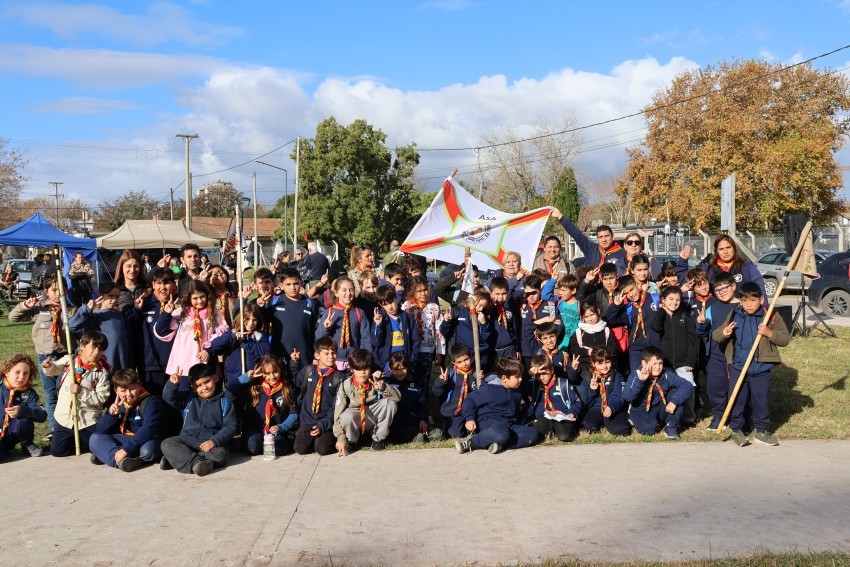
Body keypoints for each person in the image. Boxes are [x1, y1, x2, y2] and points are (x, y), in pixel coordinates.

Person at [713, 281, 790, 447]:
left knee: (760, 401)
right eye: (744, 300)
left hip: (761, 369)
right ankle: (736, 430)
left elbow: (785, 339)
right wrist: (725, 333)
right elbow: (716, 336)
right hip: (738, 367)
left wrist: (769, 333)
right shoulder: (734, 314)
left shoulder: (770, 316)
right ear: (740, 301)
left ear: (761, 299)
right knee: (737, 400)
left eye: (753, 300)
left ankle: (761, 431)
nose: (748, 304)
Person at [9, 275, 69, 438]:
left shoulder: (71, 309)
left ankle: (66, 428)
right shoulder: (38, 308)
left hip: (64, 357)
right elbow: (12, 317)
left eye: (61, 289)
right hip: (45, 357)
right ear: (46, 291)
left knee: (64, 393)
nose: (58, 293)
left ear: (66, 290)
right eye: (54, 290)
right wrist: (24, 306)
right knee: (50, 394)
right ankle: (54, 429)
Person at [160, 362, 238, 476]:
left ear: (214, 378)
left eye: (207, 382)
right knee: (167, 443)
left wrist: (214, 441)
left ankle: (179, 460)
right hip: (188, 440)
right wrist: (173, 384)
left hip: (210, 443)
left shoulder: (225, 401)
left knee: (221, 455)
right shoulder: (189, 398)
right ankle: (196, 463)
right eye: (199, 385)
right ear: (193, 387)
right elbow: (168, 397)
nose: (204, 387)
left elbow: (230, 426)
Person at [43, 330, 112, 456]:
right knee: (58, 452)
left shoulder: (101, 372)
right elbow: (54, 369)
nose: (96, 352)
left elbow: (101, 398)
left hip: (87, 421)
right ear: (82, 346)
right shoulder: (69, 360)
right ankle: (73, 441)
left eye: (101, 349)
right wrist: (48, 366)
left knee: (98, 449)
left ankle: (86, 443)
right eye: (93, 347)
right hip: (66, 419)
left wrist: (81, 391)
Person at [455, 356, 540, 454]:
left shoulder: (517, 389)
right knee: (501, 434)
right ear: (504, 378)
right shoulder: (489, 389)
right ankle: (471, 443)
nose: (520, 379)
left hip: (510, 425)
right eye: (517, 377)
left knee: (533, 433)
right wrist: (469, 418)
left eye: (521, 376)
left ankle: (500, 445)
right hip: (490, 424)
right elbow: (469, 400)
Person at [155, 280, 229, 391]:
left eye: (202, 297)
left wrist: (209, 350)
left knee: (207, 394)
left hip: (205, 363)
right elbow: (161, 331)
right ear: (188, 298)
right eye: (195, 298)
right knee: (185, 396)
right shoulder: (181, 314)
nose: (199, 301)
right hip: (184, 365)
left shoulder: (213, 315)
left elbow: (222, 336)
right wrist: (166, 313)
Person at [89, 368, 166, 471]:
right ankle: (121, 460)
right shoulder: (118, 404)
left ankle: (109, 456)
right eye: (123, 391)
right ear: (116, 390)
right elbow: (100, 431)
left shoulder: (151, 403)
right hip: (127, 438)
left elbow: (148, 430)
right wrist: (111, 415)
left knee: (147, 450)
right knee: (95, 438)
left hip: (147, 439)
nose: (129, 394)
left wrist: (126, 450)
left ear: (139, 385)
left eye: (132, 389)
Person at [333, 349, 401, 454]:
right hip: (356, 417)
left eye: (366, 368)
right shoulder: (345, 386)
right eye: (358, 369)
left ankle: (378, 439)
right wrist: (341, 438)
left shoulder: (375, 381)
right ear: (352, 369)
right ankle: (352, 441)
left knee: (390, 404)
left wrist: (383, 387)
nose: (363, 372)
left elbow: (397, 398)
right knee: (346, 416)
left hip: (373, 415)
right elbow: (337, 415)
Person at [228, 355, 298, 456]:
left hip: (276, 429)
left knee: (279, 448)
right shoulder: (255, 387)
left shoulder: (286, 389)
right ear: (262, 373)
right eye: (267, 373)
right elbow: (230, 387)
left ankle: (276, 443)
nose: (272, 377)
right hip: (255, 428)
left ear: (280, 370)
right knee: (253, 447)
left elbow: (294, 413)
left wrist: (281, 427)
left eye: (275, 372)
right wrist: (248, 376)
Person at [650, 285, 700, 425]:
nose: (674, 302)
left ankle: (688, 417)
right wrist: (662, 311)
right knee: (667, 389)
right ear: (663, 300)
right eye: (671, 299)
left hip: (684, 362)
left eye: (677, 299)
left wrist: (691, 360)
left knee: (688, 387)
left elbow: (693, 339)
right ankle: (667, 416)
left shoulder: (684, 315)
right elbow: (655, 327)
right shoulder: (660, 315)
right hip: (665, 362)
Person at [622, 346, 694, 439]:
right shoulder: (636, 375)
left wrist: (674, 402)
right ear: (644, 363)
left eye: (660, 363)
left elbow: (687, 385)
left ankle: (670, 426)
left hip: (660, 407)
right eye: (654, 364)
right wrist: (640, 381)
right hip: (641, 410)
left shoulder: (666, 374)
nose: (657, 367)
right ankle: (639, 421)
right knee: (649, 429)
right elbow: (627, 396)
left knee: (678, 393)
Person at [697, 272, 738, 431]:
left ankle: (737, 417)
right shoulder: (712, 308)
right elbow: (703, 332)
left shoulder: (742, 306)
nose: (721, 292)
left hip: (736, 357)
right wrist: (702, 323)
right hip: (715, 356)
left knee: (736, 389)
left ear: (733, 286)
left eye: (724, 288)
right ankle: (719, 417)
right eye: (717, 289)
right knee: (715, 388)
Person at [262, 267, 321, 377]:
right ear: (281, 286)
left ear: (301, 283)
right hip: (280, 355)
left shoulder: (310, 304)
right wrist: (260, 306)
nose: (292, 287)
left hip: (305, 356)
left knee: (303, 384)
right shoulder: (275, 302)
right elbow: (261, 322)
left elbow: (317, 332)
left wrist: (316, 355)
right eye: (288, 284)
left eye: (296, 283)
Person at [293, 337, 344, 456]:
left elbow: (337, 407)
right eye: (326, 353)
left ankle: (331, 438)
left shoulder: (338, 377)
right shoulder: (309, 371)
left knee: (322, 449)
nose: (331, 356)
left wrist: (323, 424)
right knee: (300, 448)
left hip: (327, 422)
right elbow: (295, 380)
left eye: (333, 353)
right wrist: (295, 363)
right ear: (317, 355)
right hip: (308, 421)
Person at [678, 236, 767, 300]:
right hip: (718, 314)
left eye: (728, 247)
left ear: (734, 248)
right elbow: (687, 283)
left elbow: (760, 290)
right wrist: (683, 262)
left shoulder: (747, 267)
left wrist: (764, 308)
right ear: (716, 251)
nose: (725, 252)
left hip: (742, 315)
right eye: (721, 249)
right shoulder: (708, 269)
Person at [604, 274, 660, 374]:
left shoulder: (655, 299)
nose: (631, 294)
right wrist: (615, 306)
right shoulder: (628, 308)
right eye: (626, 293)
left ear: (637, 285)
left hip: (655, 347)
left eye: (632, 290)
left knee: (655, 376)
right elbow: (609, 320)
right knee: (637, 377)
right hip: (637, 349)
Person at [69, 282, 132, 371]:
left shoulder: (121, 316)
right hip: (104, 366)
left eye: (117, 297)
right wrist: (86, 309)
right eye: (110, 296)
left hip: (123, 366)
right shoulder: (96, 317)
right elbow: (73, 326)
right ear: (101, 295)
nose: (114, 300)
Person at [316, 276, 371, 371]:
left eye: (351, 290)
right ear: (336, 293)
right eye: (344, 290)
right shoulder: (329, 312)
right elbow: (319, 339)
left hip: (354, 360)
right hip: (333, 360)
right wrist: (325, 328)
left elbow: (365, 339)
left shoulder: (359, 313)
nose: (348, 293)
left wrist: (365, 359)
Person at [385, 352, 442, 443]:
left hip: (414, 423)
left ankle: (422, 433)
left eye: (403, 369)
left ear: (408, 367)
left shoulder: (414, 383)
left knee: (438, 434)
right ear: (390, 368)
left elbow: (422, 404)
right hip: (396, 425)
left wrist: (423, 419)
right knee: (419, 437)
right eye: (396, 369)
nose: (399, 373)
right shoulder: (386, 384)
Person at [572, 348, 630, 436]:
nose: (604, 366)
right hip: (595, 408)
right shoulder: (587, 376)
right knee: (586, 428)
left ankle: (616, 421)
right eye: (600, 363)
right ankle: (599, 422)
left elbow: (618, 396)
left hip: (612, 407)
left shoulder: (617, 376)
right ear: (593, 363)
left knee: (621, 430)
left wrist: (611, 407)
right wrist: (592, 390)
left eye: (607, 362)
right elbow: (586, 402)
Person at [209, 303, 271, 384]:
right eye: (247, 319)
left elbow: (265, 351)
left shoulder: (259, 336)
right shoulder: (232, 333)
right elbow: (214, 346)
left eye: (254, 320)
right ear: (241, 319)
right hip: (234, 379)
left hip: (254, 379)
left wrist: (245, 344)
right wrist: (232, 336)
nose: (251, 323)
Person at [138, 268, 177, 396]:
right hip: (151, 363)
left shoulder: (181, 304)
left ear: (174, 284)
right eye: (159, 283)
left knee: (173, 401)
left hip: (175, 363)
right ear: (153, 285)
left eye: (167, 283)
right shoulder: (144, 303)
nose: (163, 287)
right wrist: (135, 311)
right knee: (154, 402)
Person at [431, 344, 483, 439]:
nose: (464, 364)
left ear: (471, 357)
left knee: (479, 431)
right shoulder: (451, 374)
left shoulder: (475, 374)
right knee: (455, 435)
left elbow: (481, 392)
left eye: (466, 359)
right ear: (454, 363)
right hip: (453, 412)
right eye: (459, 362)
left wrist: (481, 380)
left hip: (470, 411)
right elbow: (436, 393)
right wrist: (441, 382)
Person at [0, 353, 47, 459]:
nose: (21, 377)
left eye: (26, 373)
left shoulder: (29, 393)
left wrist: (22, 410)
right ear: (7, 372)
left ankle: (27, 444)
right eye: (17, 372)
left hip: (13, 433)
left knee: (24, 419)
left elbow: (42, 415)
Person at [528, 353, 581, 442]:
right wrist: (530, 373)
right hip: (544, 417)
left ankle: (560, 430)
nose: (541, 377)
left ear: (552, 370)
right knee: (535, 433)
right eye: (538, 375)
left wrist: (572, 413)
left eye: (544, 373)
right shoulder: (534, 385)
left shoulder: (563, 383)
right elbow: (520, 386)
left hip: (562, 417)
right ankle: (549, 430)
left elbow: (576, 402)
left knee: (564, 436)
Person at [551, 207, 626, 269]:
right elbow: (576, 233)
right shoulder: (591, 249)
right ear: (597, 238)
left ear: (612, 236)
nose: (604, 240)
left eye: (606, 236)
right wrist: (560, 216)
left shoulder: (622, 253)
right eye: (600, 237)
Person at [402, 275, 442, 391]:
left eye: (425, 290)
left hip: (427, 350)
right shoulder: (407, 306)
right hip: (411, 350)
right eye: (419, 291)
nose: (423, 293)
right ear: (412, 292)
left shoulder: (434, 307)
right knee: (410, 380)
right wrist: (408, 314)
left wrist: (439, 352)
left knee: (424, 381)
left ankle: (423, 401)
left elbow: (439, 331)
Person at [439, 289, 494, 371]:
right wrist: (446, 321)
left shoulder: (482, 316)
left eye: (484, 307)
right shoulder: (458, 312)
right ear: (473, 299)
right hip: (462, 357)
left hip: (478, 357)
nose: (481, 309)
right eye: (480, 305)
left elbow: (485, 338)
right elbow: (443, 332)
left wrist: (484, 324)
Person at [371, 284, 419, 372]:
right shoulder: (380, 318)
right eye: (385, 305)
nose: (390, 307)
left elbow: (415, 341)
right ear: (380, 305)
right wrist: (378, 325)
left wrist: (411, 360)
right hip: (386, 366)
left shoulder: (407, 318)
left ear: (396, 298)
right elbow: (375, 342)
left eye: (391, 302)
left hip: (404, 363)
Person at [568, 301, 617, 373]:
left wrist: (600, 353)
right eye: (586, 316)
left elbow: (612, 348)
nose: (590, 319)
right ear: (582, 317)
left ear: (598, 311)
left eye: (592, 314)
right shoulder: (579, 332)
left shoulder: (606, 330)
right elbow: (573, 349)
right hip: (585, 369)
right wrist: (586, 351)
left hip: (604, 367)